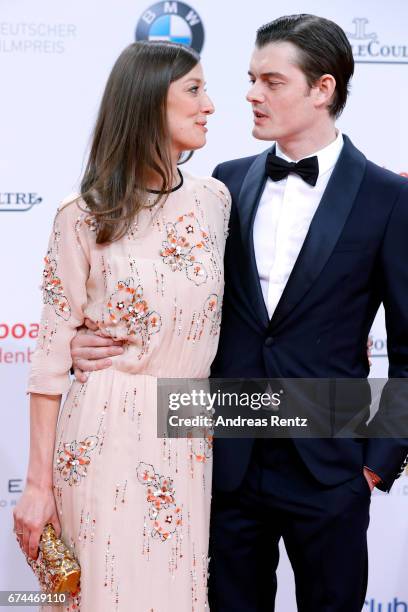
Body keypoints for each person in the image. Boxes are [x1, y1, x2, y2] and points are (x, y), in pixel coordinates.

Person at [70, 14, 408, 612]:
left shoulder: (390, 197)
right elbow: (161, 292)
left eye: (272, 81)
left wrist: (377, 466)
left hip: (329, 468)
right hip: (223, 462)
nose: (250, 94)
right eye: (250, 78)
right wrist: (84, 341)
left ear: (322, 89)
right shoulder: (223, 184)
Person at [13, 41, 230, 611]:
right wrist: (37, 485)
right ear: (147, 104)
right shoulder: (81, 214)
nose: (210, 105)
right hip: (105, 427)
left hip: (187, 430)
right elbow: (50, 362)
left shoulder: (215, 200)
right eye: (194, 90)